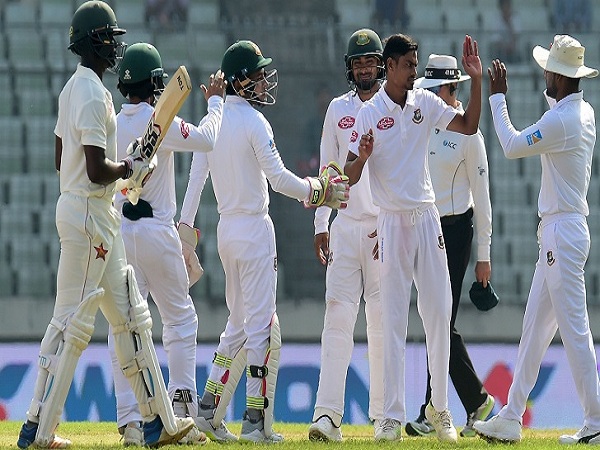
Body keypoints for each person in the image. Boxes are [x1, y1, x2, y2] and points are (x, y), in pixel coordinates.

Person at [16, 2, 195, 449]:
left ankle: (158, 422)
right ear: (95, 41)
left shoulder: (71, 89)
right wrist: (129, 168)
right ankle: (37, 428)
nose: (115, 48)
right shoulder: (95, 95)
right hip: (90, 216)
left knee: (132, 316)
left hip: (93, 213)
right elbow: (97, 170)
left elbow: (63, 159)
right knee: (71, 323)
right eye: (110, 39)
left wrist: (124, 173)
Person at [178, 40, 349, 444]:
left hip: (225, 233)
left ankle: (208, 411)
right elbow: (279, 179)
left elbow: (195, 181)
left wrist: (185, 232)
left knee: (237, 326)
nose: (263, 83)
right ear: (239, 81)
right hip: (254, 231)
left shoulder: (212, 122)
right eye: (256, 76)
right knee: (262, 330)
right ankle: (256, 424)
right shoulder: (255, 123)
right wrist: (319, 190)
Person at [344, 33, 483, 443]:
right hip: (391, 222)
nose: (413, 72)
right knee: (392, 320)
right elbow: (348, 176)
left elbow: (469, 126)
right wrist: (363, 157)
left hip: (426, 218)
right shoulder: (369, 114)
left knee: (439, 313)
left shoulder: (425, 102)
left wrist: (476, 81)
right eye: (407, 65)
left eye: (415, 65)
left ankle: (440, 409)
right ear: (389, 66)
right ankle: (390, 416)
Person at [474, 35, 600, 445]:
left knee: (574, 331)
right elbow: (555, 109)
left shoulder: (561, 122)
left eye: (548, 71)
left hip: (561, 235)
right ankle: (511, 416)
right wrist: (552, 87)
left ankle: (596, 419)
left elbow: (512, 145)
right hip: (561, 233)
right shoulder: (582, 111)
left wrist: (497, 98)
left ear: (559, 77)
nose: (543, 74)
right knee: (534, 332)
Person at [106, 42, 227, 446]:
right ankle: (182, 410)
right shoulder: (162, 121)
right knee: (180, 319)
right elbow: (207, 140)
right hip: (157, 233)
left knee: (126, 327)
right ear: (156, 82)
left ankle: (130, 421)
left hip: (121, 235)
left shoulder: (112, 124)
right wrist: (215, 103)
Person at [405, 53, 494, 439]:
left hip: (456, 233)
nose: (430, 95)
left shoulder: (469, 133)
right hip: (426, 228)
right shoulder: (425, 121)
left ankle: (440, 409)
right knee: (436, 320)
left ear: (451, 88)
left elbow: (483, 197)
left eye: (437, 89)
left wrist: (484, 256)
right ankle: (471, 402)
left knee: (440, 320)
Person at [307, 28, 385, 442]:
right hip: (345, 227)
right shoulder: (338, 109)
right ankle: (327, 416)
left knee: (380, 323)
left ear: (381, 66)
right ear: (350, 69)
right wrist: (322, 223)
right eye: (358, 63)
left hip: (382, 229)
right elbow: (328, 169)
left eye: (370, 62)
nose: (364, 69)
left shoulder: (395, 107)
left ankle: (384, 417)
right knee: (336, 320)